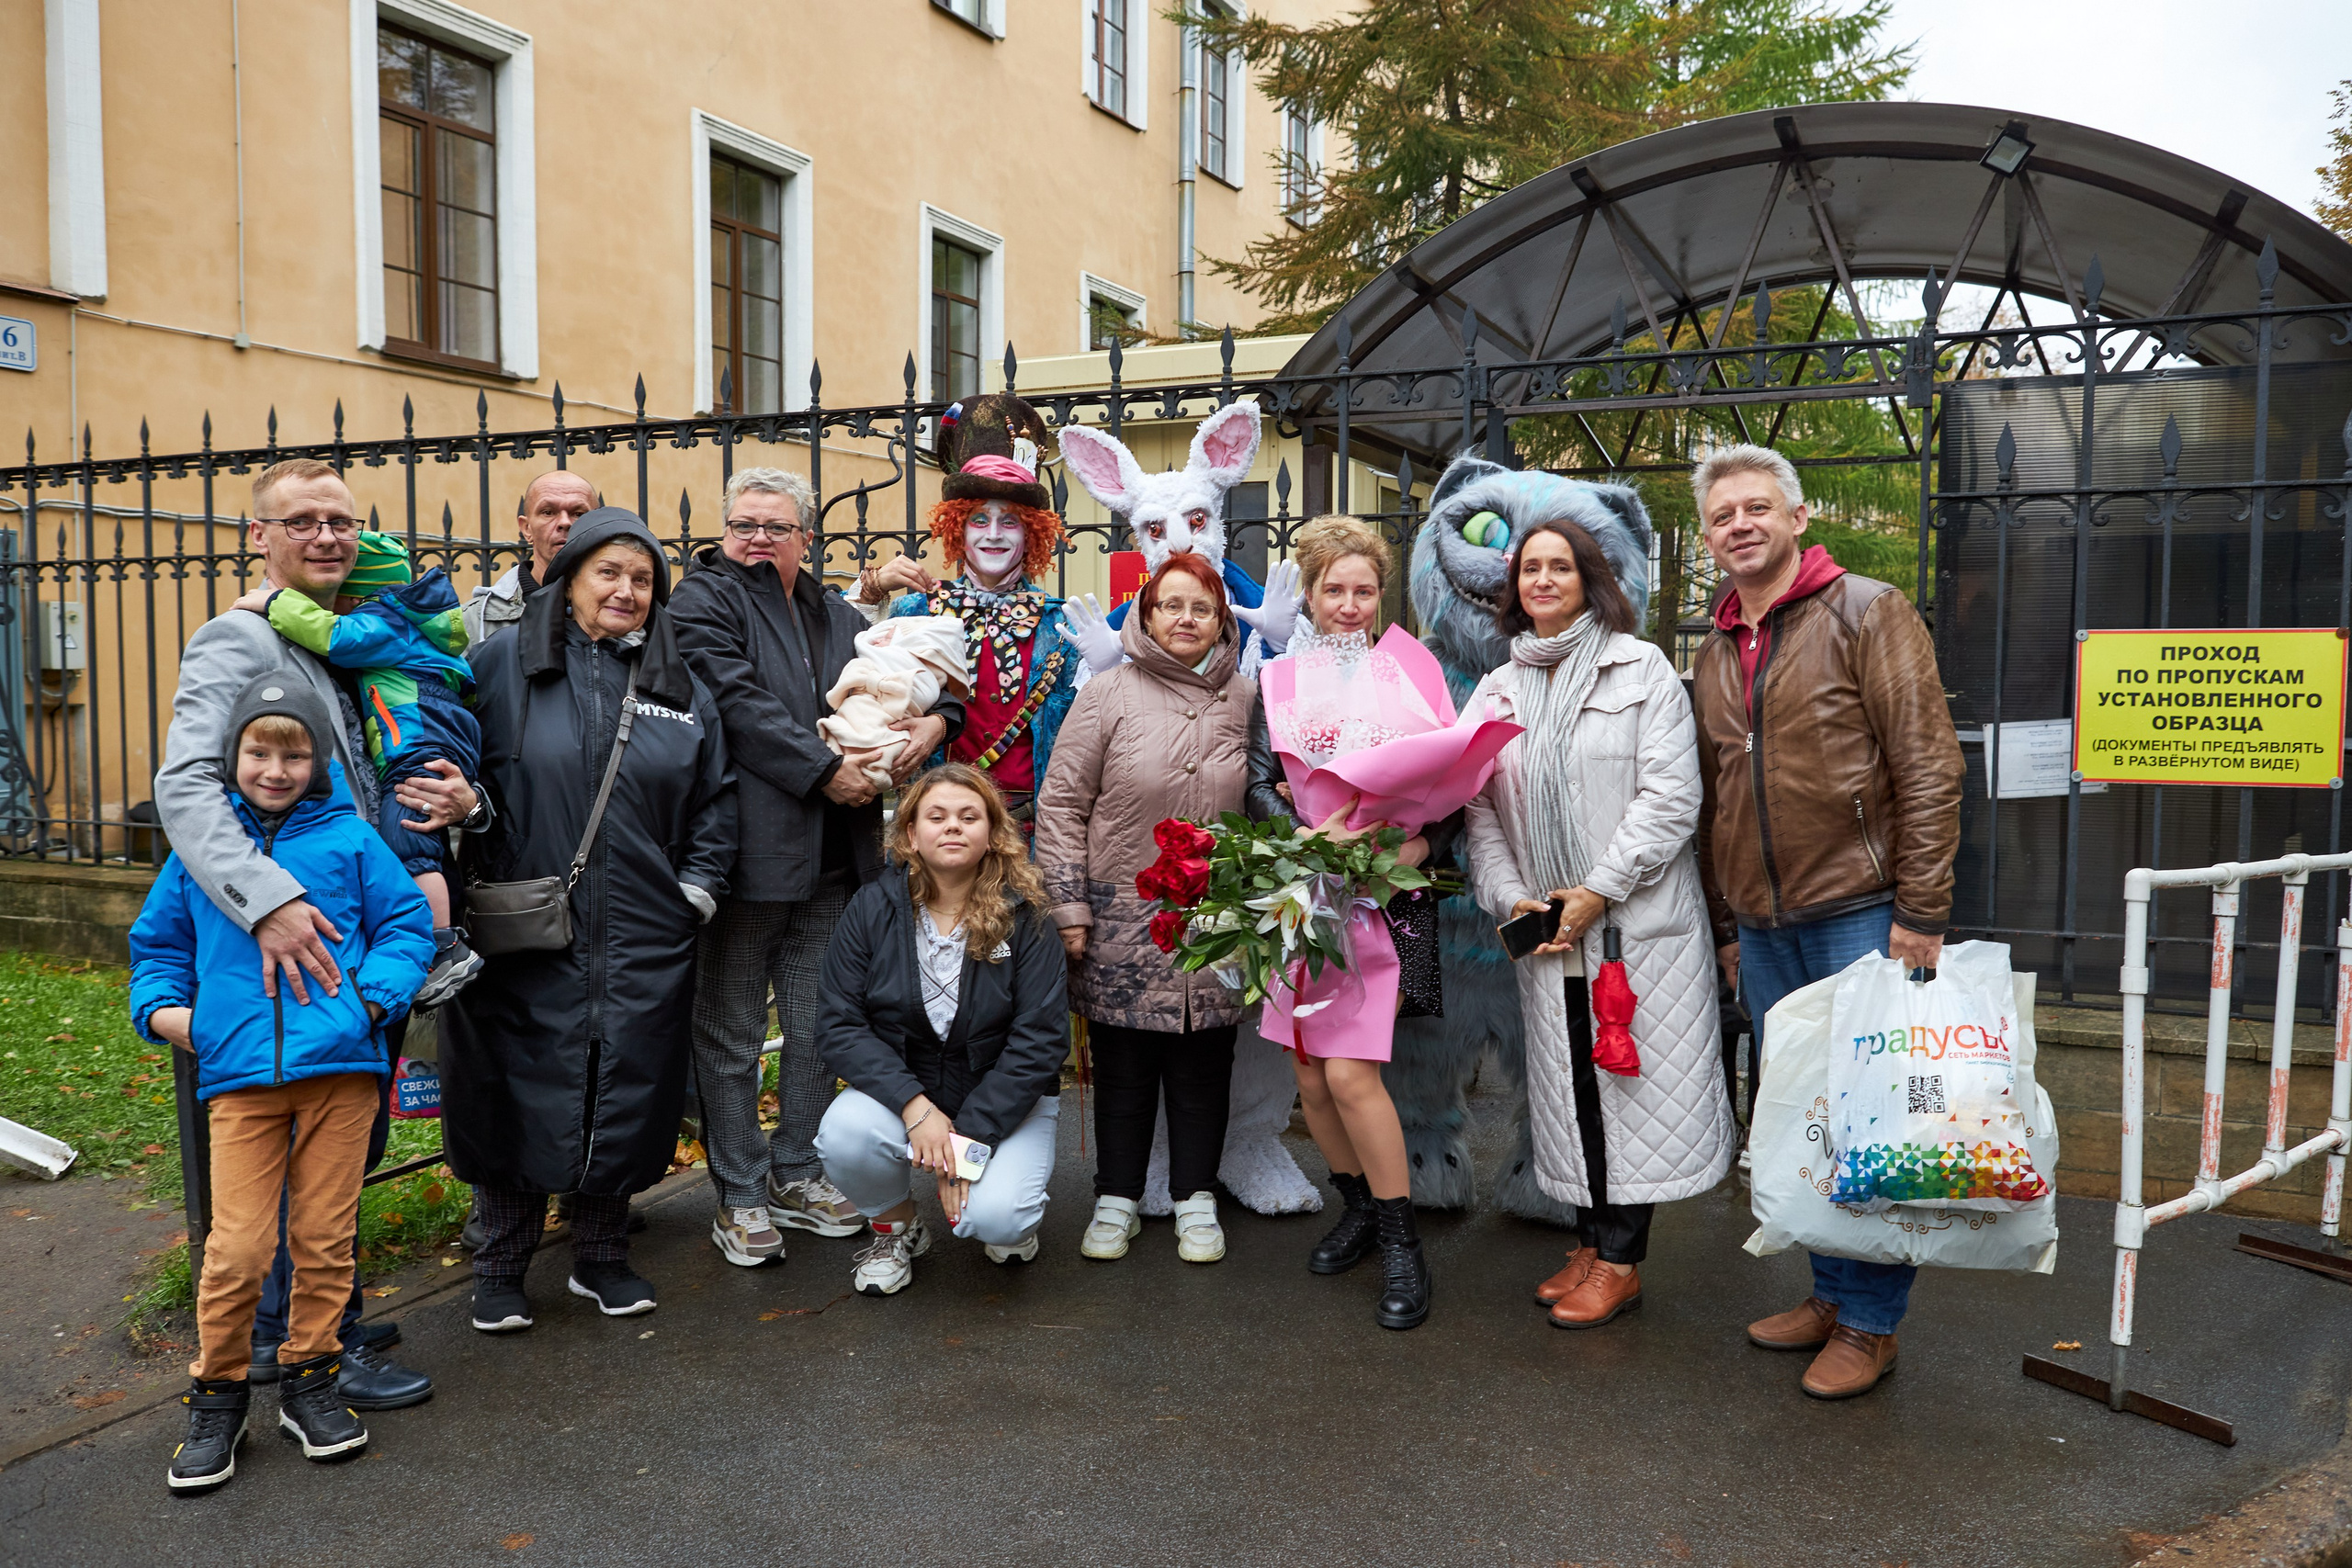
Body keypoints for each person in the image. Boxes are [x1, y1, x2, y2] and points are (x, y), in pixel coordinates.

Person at [153, 457, 462, 1409]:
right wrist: (267, 900)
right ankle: (301, 1347)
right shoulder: (234, 640)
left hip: (359, 939)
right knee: (291, 1172)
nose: (325, 535)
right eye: (302, 521)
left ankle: (331, 1316)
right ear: (262, 535)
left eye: (340, 519)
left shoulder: (332, 636)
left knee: (340, 1160)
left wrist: (459, 801)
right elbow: (186, 786)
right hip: (288, 953)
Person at [1688, 445, 1963, 1400]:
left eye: (1757, 508)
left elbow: (1927, 763)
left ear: (1797, 518)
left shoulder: (1867, 609)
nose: (1740, 526)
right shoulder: (1715, 648)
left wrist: (1920, 909)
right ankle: (1829, 1292)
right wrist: (1726, 922)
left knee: (1874, 1126)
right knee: (1808, 1122)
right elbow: (1715, 795)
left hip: (1861, 913)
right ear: (1707, 536)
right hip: (1763, 928)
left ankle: (1872, 1325)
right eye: (1723, 515)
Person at [130, 679, 435, 1493]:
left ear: (318, 759)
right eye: (259, 751)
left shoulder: (351, 838)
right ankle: (217, 1397)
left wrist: (371, 1001)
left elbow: (407, 925)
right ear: (233, 756)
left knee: (325, 1241)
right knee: (236, 1248)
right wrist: (174, 1018)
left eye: (294, 751)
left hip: (340, 1073)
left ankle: (312, 1380)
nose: (276, 767)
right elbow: (156, 948)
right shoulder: (204, 847)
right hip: (240, 1081)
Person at [444, 509, 737, 1330]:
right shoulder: (501, 667)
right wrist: (470, 816)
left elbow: (716, 800)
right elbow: (457, 777)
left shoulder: (679, 687)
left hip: (648, 930)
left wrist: (697, 890)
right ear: (568, 577)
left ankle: (601, 1255)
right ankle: (500, 1266)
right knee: (514, 1085)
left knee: (627, 1086)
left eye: (642, 579)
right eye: (608, 572)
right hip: (527, 926)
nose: (626, 590)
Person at [669, 468, 961, 1268]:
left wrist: (934, 723)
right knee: (730, 1032)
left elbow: (911, 675)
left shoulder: (836, 612)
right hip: (747, 853)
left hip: (839, 859)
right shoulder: (703, 599)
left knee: (816, 1028)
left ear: (806, 536)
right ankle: (739, 1189)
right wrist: (821, 768)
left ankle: (797, 1168)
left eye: (775, 525)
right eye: (743, 524)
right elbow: (733, 700)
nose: (757, 538)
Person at [1463, 516, 1735, 1331]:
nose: (1543, 581)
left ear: (1590, 579)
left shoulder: (1638, 667)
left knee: (1626, 1085)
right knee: (1571, 1088)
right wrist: (1512, 895)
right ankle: (1589, 1243)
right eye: (1529, 569)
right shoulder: (1498, 685)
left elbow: (1671, 798)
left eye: (1560, 567)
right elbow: (1477, 808)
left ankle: (1620, 1259)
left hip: (1632, 923)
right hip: (1545, 930)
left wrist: (1597, 890)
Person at [1244, 519, 1439, 1329]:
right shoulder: (1281, 681)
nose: (1350, 604)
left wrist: (1410, 836)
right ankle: (1356, 1203)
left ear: (1380, 595)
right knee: (1311, 1080)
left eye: (1364, 590)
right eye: (1334, 590)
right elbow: (1257, 781)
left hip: (1384, 899)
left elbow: (1450, 780)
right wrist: (1301, 835)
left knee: (1354, 1074)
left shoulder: (1412, 678)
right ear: (1312, 596)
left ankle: (1402, 1239)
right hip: (1303, 895)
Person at [1036, 555, 1256, 1267]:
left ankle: (1196, 1198)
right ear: (1147, 613)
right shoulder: (1107, 694)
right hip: (1121, 913)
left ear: (1222, 619)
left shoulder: (1245, 697)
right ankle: (1116, 1198)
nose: (1186, 619)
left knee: (1203, 1064)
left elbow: (1269, 798)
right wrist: (1068, 904)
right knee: (1123, 1063)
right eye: (1172, 605)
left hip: (1213, 919)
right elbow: (1063, 804)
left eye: (1202, 607)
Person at [813, 764, 1069, 1294]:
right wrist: (915, 1107)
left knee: (1000, 1220)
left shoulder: (1029, 917)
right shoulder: (870, 908)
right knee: (844, 1135)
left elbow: (1040, 1039)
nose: (953, 826)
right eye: (937, 816)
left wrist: (966, 1140)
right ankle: (895, 1229)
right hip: (910, 1095)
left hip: (1004, 1101)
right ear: (910, 834)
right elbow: (839, 1025)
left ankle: (1002, 1214)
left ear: (994, 833)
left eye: (969, 816)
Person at [233, 530, 484, 1006]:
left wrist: (275, 603)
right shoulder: (412, 623)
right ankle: (444, 935)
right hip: (431, 734)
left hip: (417, 740)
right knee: (422, 842)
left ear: (359, 592)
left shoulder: (385, 620)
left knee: (408, 834)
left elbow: (332, 637)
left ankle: (441, 947)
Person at [854, 392, 1079, 829]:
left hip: (1029, 833)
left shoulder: (1062, 623)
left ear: (1031, 534)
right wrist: (870, 589)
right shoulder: (915, 608)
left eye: (1009, 521)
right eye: (978, 519)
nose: (993, 535)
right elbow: (848, 667)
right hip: (936, 826)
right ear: (957, 528)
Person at [462, 470, 601, 646]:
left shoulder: (624, 612)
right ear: (526, 528)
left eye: (578, 513)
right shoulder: (474, 622)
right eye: (548, 512)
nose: (565, 522)